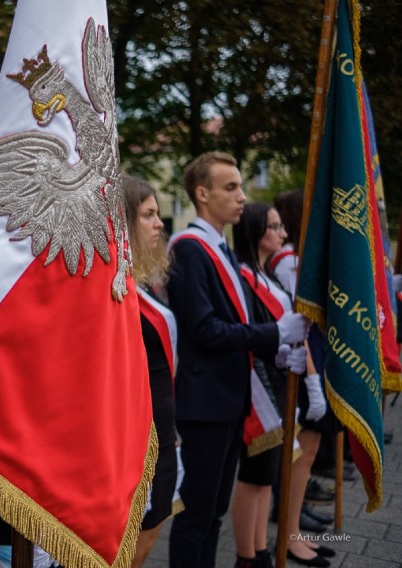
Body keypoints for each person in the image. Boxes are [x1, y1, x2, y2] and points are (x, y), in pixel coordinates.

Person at [166, 152, 309, 568]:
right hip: (206, 402)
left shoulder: (220, 249)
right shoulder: (190, 249)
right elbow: (205, 330)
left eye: (241, 186)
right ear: (202, 193)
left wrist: (276, 349)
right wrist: (275, 333)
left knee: (214, 512)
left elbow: (235, 321)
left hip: (228, 398)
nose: (242, 196)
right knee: (196, 515)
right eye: (231, 188)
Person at [231, 203, 307, 568]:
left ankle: (260, 548)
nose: (283, 233)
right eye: (274, 227)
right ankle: (248, 555)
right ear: (254, 231)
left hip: (277, 380)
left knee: (267, 477)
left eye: (281, 226)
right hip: (258, 385)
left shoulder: (268, 274)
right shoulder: (244, 276)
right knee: (255, 474)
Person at [271, 190, 335, 566]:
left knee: (308, 453)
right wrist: (312, 380)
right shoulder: (288, 262)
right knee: (298, 453)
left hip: (317, 356)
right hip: (303, 361)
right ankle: (289, 533)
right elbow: (299, 324)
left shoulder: (300, 259)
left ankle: (295, 529)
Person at [124, 177, 182, 568]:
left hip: (161, 439)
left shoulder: (138, 284)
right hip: (137, 449)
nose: (159, 223)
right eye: (148, 214)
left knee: (144, 546)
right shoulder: (111, 292)